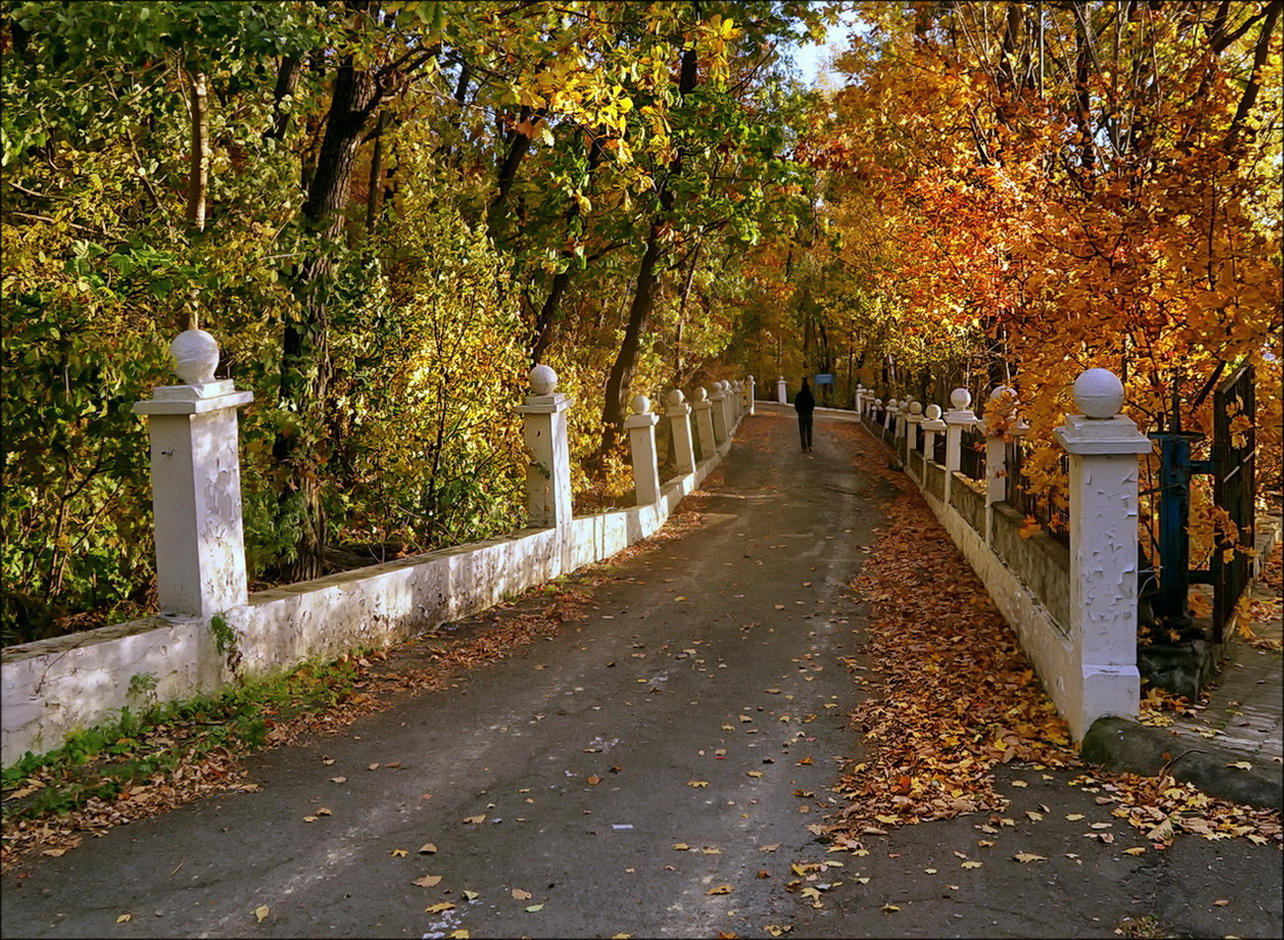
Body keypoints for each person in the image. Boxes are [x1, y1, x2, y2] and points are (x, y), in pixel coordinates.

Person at [794, 377, 815, 451]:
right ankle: (810, 445)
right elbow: (813, 404)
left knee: (802, 431)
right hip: (809, 415)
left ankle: (804, 446)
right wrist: (810, 410)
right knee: (809, 430)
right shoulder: (810, 395)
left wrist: (799, 411)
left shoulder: (799, 395)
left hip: (801, 415)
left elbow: (796, 405)